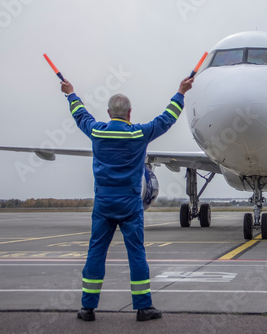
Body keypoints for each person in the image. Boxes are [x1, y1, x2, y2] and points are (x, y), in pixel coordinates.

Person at [60, 76, 194, 322]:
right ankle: (143, 307)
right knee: (136, 254)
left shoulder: (97, 131)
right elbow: (166, 120)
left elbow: (80, 115)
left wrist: (70, 93)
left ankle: (87, 308)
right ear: (130, 113)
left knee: (96, 253)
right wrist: (180, 93)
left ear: (109, 112)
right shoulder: (138, 134)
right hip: (131, 205)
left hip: (103, 204)